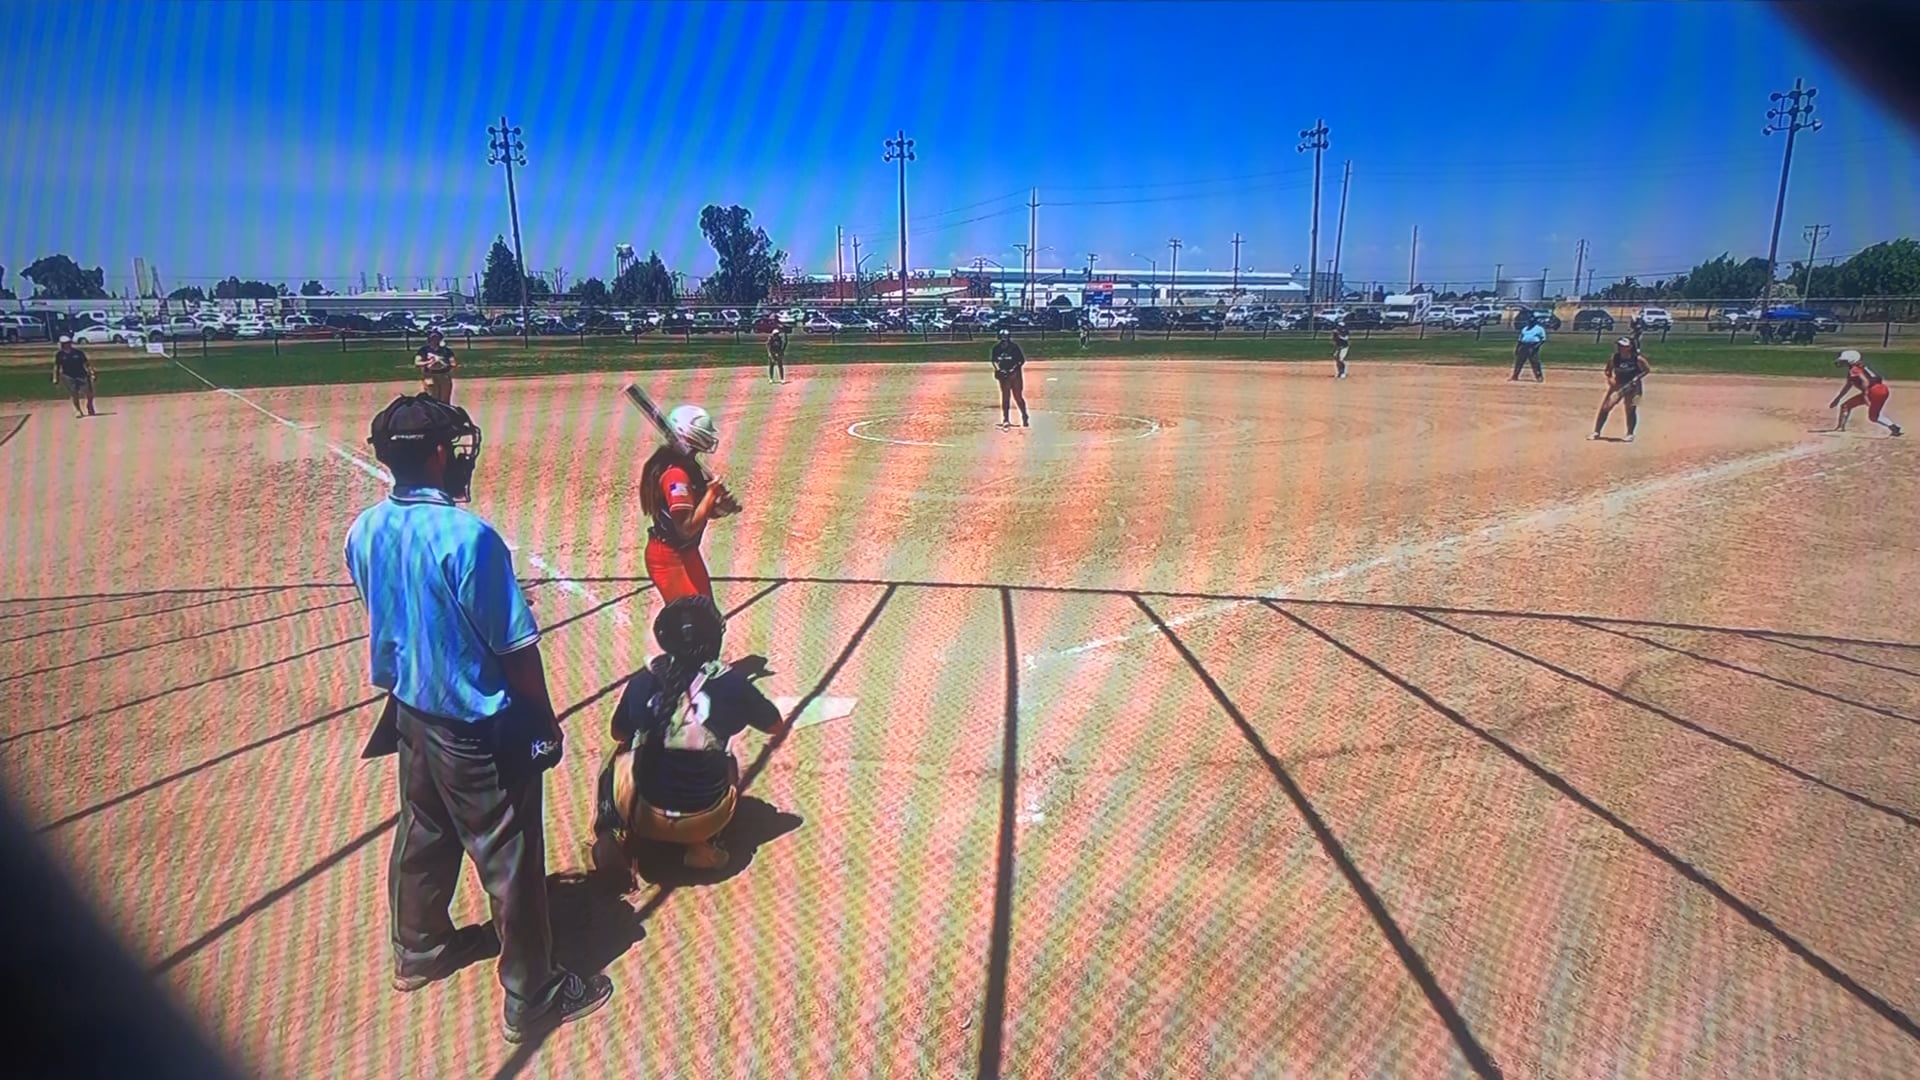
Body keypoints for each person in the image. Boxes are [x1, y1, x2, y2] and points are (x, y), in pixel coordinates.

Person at [345, 393, 612, 1044]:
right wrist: (542, 721)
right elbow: (515, 648)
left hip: (411, 711)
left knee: (425, 831)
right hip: (474, 726)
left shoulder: (364, 528)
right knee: (509, 854)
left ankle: (420, 949)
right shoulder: (470, 538)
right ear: (439, 455)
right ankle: (533, 994)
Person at [593, 596, 785, 878]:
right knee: (725, 758)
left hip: (645, 816)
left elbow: (618, 732)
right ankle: (700, 847)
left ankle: (611, 833)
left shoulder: (644, 680)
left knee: (619, 752)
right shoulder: (731, 683)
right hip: (706, 818)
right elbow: (775, 726)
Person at [640, 405, 738, 604]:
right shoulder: (676, 475)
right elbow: (686, 528)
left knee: (707, 613)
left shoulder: (690, 467)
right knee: (693, 617)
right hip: (669, 557)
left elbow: (700, 512)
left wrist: (721, 508)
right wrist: (711, 494)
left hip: (687, 551)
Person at [1829, 349, 1903, 437]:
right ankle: (1893, 427)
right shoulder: (1862, 367)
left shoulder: (1854, 369)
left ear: (1851, 360)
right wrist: (1837, 399)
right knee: (1871, 415)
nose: (1842, 362)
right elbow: (1848, 386)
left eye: (1844, 361)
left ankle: (1840, 428)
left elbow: (1865, 381)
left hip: (1873, 391)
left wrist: (1865, 394)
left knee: (1852, 408)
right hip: (1882, 389)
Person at [1590, 336, 1650, 442]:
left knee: (1631, 408)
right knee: (1605, 407)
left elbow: (1646, 370)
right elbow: (1608, 371)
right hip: (1618, 385)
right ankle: (1596, 432)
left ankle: (1630, 434)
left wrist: (1637, 378)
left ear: (1630, 347)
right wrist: (1610, 379)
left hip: (1635, 387)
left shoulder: (1637, 359)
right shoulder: (1615, 358)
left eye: (1623, 346)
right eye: (1619, 345)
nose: (1620, 348)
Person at [991, 328, 1030, 429]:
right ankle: (1006, 419)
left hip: (1015, 375)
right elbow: (994, 360)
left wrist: (1012, 370)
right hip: (1004, 376)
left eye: (1005, 338)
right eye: (1002, 338)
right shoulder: (996, 348)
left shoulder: (1014, 347)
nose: (1004, 340)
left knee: (1017, 396)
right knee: (1005, 397)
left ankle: (1024, 415)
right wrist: (998, 369)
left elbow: (1021, 361)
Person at [52, 336, 96, 418]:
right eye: (65, 343)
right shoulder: (60, 354)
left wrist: (92, 373)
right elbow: (57, 367)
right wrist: (55, 378)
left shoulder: (78, 353)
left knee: (89, 392)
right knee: (74, 393)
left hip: (82, 374)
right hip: (68, 376)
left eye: (68, 343)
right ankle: (77, 410)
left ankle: (89, 406)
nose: (67, 345)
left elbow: (87, 364)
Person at [414, 329, 458, 403]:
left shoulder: (446, 350)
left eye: (436, 337)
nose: (434, 340)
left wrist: (442, 363)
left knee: (444, 399)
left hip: (443, 375)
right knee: (432, 398)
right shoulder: (424, 350)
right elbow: (417, 362)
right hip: (429, 375)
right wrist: (429, 362)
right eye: (432, 338)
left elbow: (453, 363)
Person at [1511, 314, 1547, 382]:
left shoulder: (1539, 329)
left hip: (1533, 345)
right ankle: (1515, 376)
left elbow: (1543, 339)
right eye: (1529, 321)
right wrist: (1517, 348)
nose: (1530, 322)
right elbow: (1520, 340)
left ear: (1535, 322)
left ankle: (1539, 376)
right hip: (1524, 345)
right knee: (1519, 361)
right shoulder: (1525, 329)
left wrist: (1536, 346)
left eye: (1532, 321)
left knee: (1535, 362)